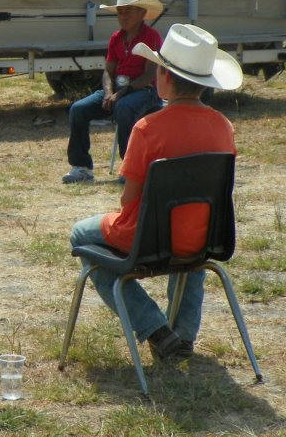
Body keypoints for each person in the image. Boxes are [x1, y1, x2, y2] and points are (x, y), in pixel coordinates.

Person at [68, 23, 243, 360]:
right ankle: (184, 335)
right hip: (206, 238)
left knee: (81, 236)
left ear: (163, 76)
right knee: (189, 244)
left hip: (148, 240)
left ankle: (155, 328)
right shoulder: (224, 126)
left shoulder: (148, 128)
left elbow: (128, 199)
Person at [62, 0, 164, 184]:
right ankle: (81, 167)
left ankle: (130, 169)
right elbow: (108, 71)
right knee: (78, 109)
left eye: (128, 11)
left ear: (142, 13)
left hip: (146, 92)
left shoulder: (152, 36)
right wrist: (109, 93)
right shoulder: (116, 37)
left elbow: (149, 74)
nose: (123, 16)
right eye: (120, 12)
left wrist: (120, 94)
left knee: (124, 107)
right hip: (118, 91)